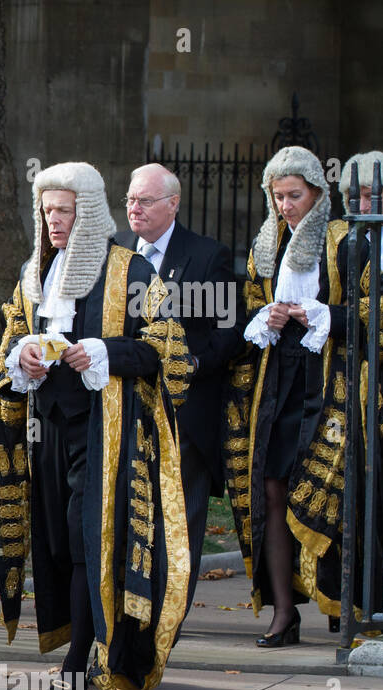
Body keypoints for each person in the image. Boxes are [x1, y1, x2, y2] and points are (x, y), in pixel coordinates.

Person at [0, 161, 190, 690]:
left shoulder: (132, 271)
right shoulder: (34, 274)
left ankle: (82, 663)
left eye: (66, 211)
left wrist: (104, 351)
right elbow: (12, 335)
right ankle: (76, 646)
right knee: (56, 542)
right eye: (48, 210)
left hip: (107, 432)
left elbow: (166, 353)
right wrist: (22, 356)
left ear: (90, 212)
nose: (55, 221)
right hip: (45, 428)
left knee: (86, 541)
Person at [223, 146, 362, 645]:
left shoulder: (345, 241)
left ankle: (340, 602)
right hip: (278, 380)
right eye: (277, 196)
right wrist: (268, 318)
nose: (285, 205)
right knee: (272, 488)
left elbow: (368, 318)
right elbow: (250, 313)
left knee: (332, 489)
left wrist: (321, 315)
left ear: (318, 194)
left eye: (294, 195)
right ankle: (285, 610)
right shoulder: (267, 244)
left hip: (327, 382)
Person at [113, 163, 238, 616]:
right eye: (130, 199)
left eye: (144, 201)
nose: (134, 208)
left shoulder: (207, 256)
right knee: (131, 513)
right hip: (129, 409)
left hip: (186, 411)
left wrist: (192, 364)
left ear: (173, 204)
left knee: (179, 518)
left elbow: (228, 333)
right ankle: (134, 606)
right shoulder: (118, 253)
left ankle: (171, 614)